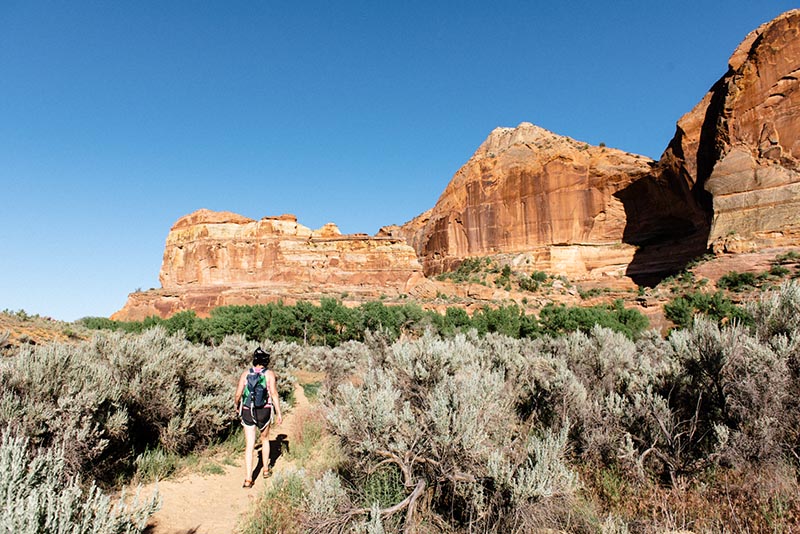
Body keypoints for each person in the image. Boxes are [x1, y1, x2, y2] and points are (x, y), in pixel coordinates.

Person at [234, 347, 282, 488]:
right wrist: (279, 412)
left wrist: (237, 406)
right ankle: (266, 469)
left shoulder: (245, 374)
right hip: (264, 411)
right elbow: (274, 394)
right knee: (265, 439)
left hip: (248, 410)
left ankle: (248, 479)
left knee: (250, 445)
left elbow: (238, 394)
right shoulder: (269, 374)